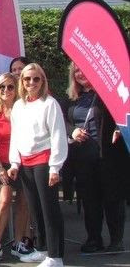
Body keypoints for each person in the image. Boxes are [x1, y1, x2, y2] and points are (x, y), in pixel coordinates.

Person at [8, 63, 68, 267]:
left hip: (44, 162)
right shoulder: (18, 106)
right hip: (25, 164)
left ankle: (56, 256)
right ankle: (42, 249)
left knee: (49, 209)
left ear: (43, 80)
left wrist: (55, 167)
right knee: (35, 209)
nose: (31, 82)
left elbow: (58, 135)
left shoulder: (50, 104)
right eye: (27, 79)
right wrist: (14, 163)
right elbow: (15, 136)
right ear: (21, 82)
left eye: (36, 78)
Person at [65, 62, 128, 253]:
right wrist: (73, 131)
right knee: (90, 201)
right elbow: (63, 121)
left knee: (112, 199)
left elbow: (124, 113)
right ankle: (94, 239)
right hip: (82, 159)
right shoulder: (71, 99)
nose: (80, 73)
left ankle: (116, 240)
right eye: (76, 70)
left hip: (107, 156)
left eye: (84, 68)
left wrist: (120, 128)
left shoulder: (108, 95)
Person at [0, 73, 32, 264]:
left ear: (16, 88)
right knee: (3, 202)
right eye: (1, 87)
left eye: (10, 87)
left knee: (23, 203)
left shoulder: (25, 109)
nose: (6, 91)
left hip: (25, 162)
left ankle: (18, 242)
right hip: (3, 163)